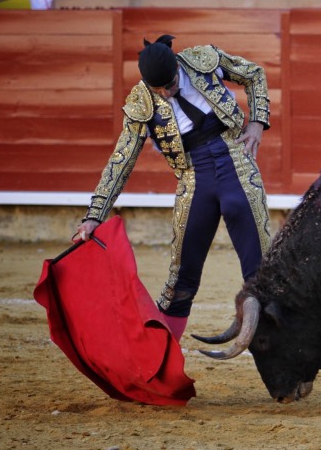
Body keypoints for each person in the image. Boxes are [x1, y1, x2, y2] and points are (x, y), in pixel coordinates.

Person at [75, 34, 272, 340]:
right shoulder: (141, 102)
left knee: (261, 276)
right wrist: (94, 216)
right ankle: (160, 364)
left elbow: (254, 74)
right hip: (194, 177)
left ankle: (282, 367)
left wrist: (258, 121)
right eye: (159, 89)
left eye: (171, 83)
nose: (167, 92)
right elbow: (121, 160)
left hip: (237, 159)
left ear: (176, 67)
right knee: (179, 282)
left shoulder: (201, 61)